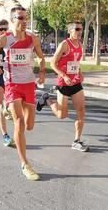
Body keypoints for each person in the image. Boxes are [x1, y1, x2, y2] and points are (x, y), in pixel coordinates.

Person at [0, 6, 46, 181]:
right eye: (20, 18)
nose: (24, 21)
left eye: (25, 18)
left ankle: (6, 107)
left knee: (29, 125)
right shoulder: (5, 39)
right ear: (12, 20)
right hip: (12, 84)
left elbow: (41, 57)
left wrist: (42, 72)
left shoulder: (32, 38)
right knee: (19, 123)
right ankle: (25, 164)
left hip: (29, 84)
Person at [36, 21, 89, 152]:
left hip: (76, 82)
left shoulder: (80, 45)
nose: (79, 31)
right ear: (70, 31)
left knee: (81, 111)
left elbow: (76, 62)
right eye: (77, 29)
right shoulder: (64, 44)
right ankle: (47, 100)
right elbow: (53, 63)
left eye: (81, 29)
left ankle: (77, 140)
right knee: (62, 115)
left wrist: (80, 73)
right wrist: (64, 76)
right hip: (63, 83)